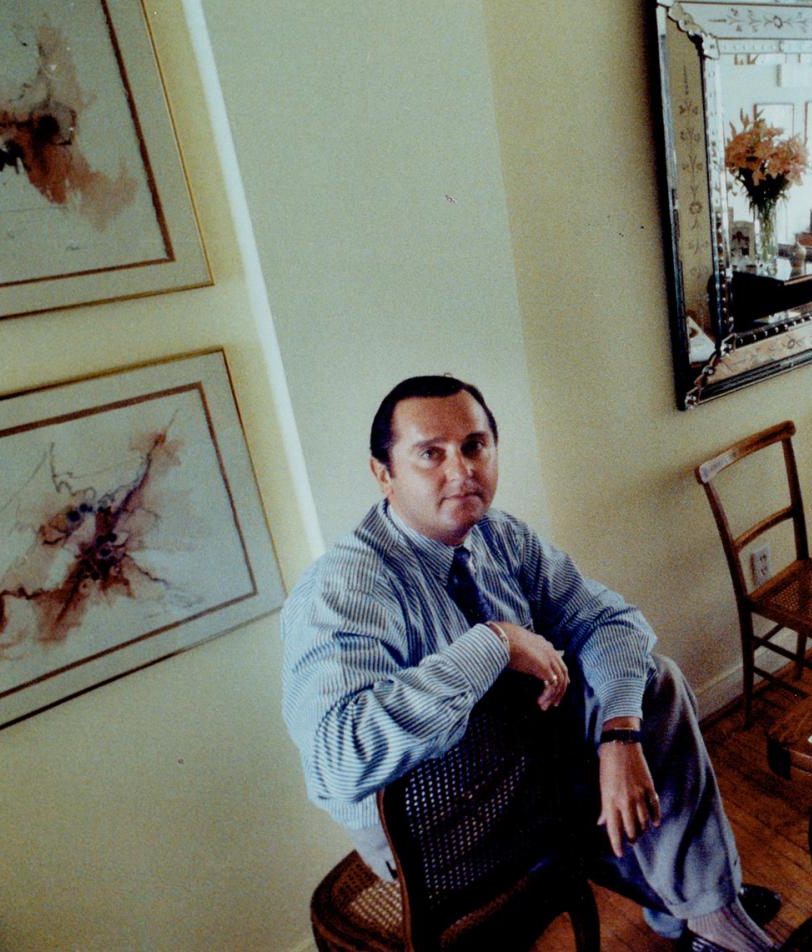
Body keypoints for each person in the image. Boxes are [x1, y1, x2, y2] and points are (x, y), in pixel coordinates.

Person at [281, 375, 778, 952]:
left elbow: (611, 621)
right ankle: (700, 905)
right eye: (429, 454)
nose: (461, 470)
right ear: (384, 473)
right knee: (645, 734)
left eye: (474, 445)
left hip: (521, 772)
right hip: (435, 838)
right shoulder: (343, 588)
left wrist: (618, 735)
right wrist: (492, 645)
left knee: (649, 685)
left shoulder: (499, 536)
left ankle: (703, 911)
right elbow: (336, 758)